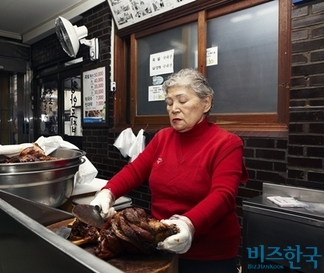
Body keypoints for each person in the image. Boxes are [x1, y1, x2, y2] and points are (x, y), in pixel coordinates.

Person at [90, 68, 248, 272]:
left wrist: (190, 224)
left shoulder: (227, 144)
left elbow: (223, 195)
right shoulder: (163, 138)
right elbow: (135, 171)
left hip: (210, 254)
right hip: (162, 245)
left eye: (182, 101)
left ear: (206, 103)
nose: (174, 108)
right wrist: (107, 193)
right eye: (169, 102)